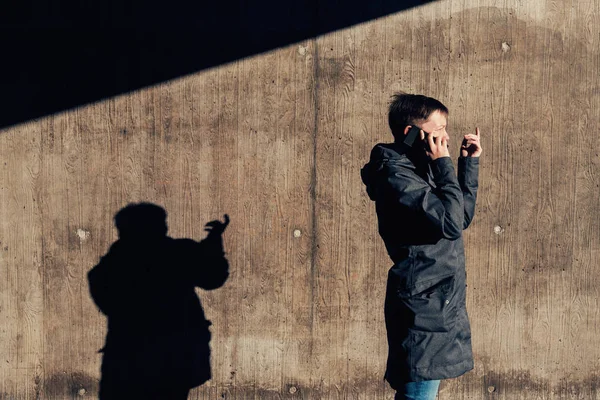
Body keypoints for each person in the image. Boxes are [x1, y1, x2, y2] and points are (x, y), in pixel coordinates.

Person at [360, 93, 482, 400]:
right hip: (423, 305)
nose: (447, 136)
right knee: (419, 393)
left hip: (441, 299)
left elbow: (459, 218)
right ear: (410, 133)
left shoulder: (419, 166)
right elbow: (450, 223)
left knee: (423, 392)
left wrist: (467, 165)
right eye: (438, 129)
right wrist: (442, 165)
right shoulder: (397, 175)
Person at [88, 203, 230, 400]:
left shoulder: (115, 261)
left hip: (128, 355)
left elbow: (104, 295)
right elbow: (213, 277)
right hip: (172, 357)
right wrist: (213, 242)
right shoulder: (177, 253)